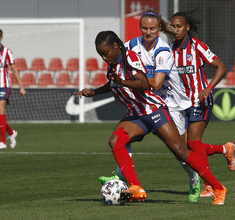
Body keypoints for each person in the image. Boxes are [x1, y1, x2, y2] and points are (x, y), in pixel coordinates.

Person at [76, 30, 227, 205]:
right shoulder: (113, 65)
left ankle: (218, 187)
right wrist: (94, 91)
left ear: (115, 46)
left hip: (153, 110)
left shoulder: (131, 58)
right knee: (116, 140)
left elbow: (144, 83)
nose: (103, 57)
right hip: (136, 115)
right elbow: (114, 84)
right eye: (100, 54)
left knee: (181, 151)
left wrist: (122, 82)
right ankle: (136, 188)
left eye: (105, 53)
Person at [100, 10, 200, 202]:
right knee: (121, 138)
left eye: (152, 29)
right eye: (144, 28)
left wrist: (124, 82)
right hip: (148, 102)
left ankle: (194, 179)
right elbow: (118, 62)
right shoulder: (130, 46)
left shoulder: (163, 50)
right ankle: (125, 178)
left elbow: (154, 84)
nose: (148, 32)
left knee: (179, 151)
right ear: (140, 28)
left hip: (171, 101)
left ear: (159, 28)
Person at [170, 11, 235, 197]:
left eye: (179, 26)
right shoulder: (169, 50)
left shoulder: (197, 46)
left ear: (187, 27)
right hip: (181, 104)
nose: (176, 30)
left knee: (193, 142)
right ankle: (225, 149)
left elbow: (221, 67)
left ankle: (209, 186)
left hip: (201, 100)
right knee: (188, 146)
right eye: (173, 27)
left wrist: (208, 88)